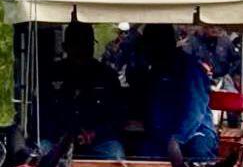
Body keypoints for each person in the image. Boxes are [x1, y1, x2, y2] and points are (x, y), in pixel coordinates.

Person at [42, 21, 126, 159]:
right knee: (41, 151)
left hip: (98, 140)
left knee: (115, 154)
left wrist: (95, 133)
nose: (81, 51)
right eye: (76, 46)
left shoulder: (107, 75)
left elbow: (117, 116)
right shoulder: (52, 74)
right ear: (65, 47)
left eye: (85, 45)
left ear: (92, 46)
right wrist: (64, 135)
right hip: (57, 140)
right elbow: (42, 115)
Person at [133, 24, 218, 159]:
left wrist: (178, 138)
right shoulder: (154, 71)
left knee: (198, 152)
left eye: (151, 44)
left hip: (195, 131)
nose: (147, 50)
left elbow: (195, 111)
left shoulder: (190, 68)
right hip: (162, 135)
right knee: (142, 154)